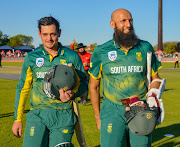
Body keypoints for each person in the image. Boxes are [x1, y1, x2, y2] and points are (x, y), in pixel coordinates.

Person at [89, 9, 163, 147]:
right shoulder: (101, 51)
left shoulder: (145, 47)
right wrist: (97, 117)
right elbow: (94, 86)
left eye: (130, 20)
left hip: (140, 106)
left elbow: (155, 78)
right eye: (123, 21)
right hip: (112, 109)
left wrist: (153, 95)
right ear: (113, 24)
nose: (128, 24)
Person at [12, 16, 88, 147]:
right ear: (39, 34)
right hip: (37, 114)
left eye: (53, 34)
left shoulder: (72, 56)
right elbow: (23, 88)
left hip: (63, 114)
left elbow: (84, 83)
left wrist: (72, 94)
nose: (49, 38)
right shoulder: (32, 57)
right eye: (45, 34)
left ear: (59, 32)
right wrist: (17, 119)